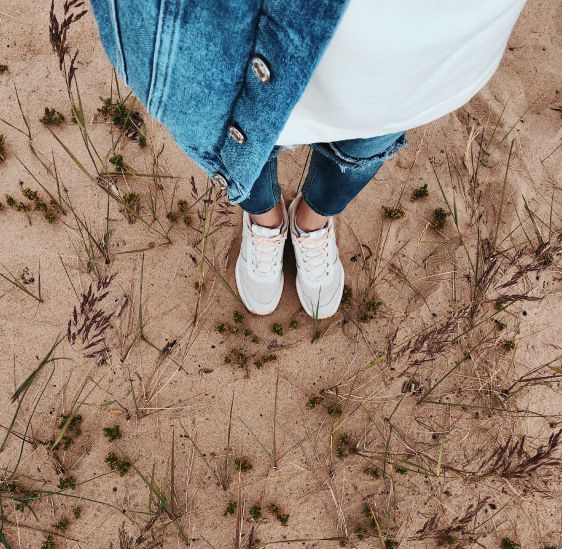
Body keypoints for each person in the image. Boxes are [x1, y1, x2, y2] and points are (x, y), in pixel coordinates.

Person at [90, 0, 528, 318]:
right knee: (239, 124)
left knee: (368, 134)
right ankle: (265, 218)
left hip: (415, 38)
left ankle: (311, 221)